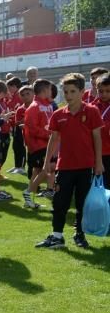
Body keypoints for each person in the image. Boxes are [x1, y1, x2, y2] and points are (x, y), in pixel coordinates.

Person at [35, 73, 104, 249]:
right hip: (64, 166)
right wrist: (47, 161)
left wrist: (98, 162)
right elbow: (54, 138)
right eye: (65, 91)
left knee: (82, 203)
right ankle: (57, 236)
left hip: (86, 166)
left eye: (73, 91)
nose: (68, 95)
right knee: (60, 202)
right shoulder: (58, 114)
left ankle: (79, 234)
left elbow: (97, 138)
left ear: (82, 91)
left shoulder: (92, 111)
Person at [23, 79, 56, 208]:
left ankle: (29, 199)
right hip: (38, 145)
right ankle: (31, 191)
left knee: (38, 171)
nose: (51, 91)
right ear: (44, 90)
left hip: (47, 144)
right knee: (50, 166)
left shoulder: (48, 105)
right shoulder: (34, 107)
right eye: (50, 89)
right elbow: (32, 129)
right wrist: (49, 135)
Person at [93, 74, 110, 177]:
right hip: (94, 152)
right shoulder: (92, 107)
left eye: (108, 91)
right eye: (101, 91)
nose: (104, 94)